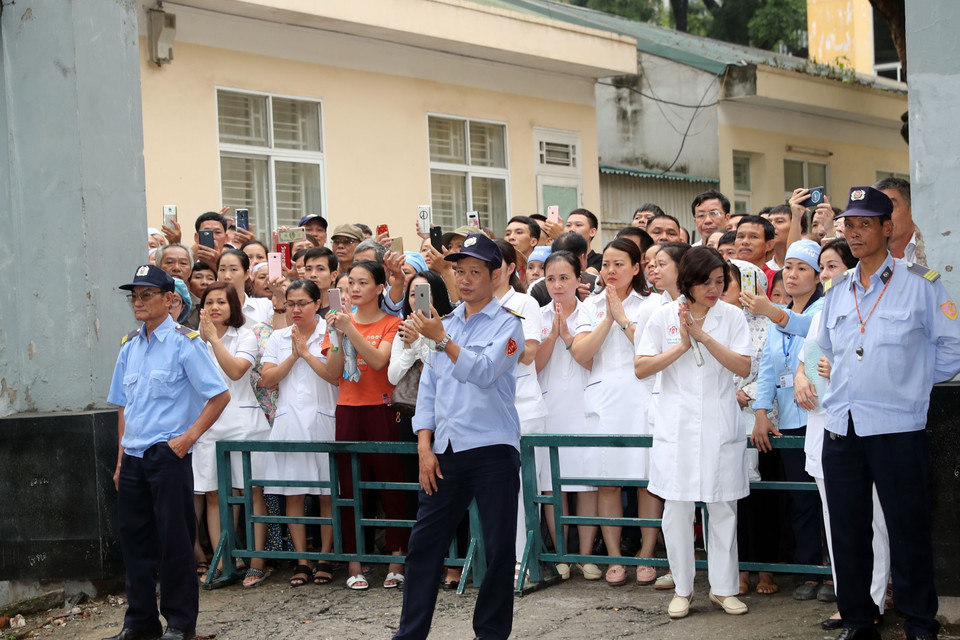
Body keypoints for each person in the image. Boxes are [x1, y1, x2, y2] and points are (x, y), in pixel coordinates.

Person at [816, 186, 960, 640]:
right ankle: (859, 621)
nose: (854, 233)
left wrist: (909, 381)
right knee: (848, 533)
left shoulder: (923, 283)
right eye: (848, 225)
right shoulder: (837, 289)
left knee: (908, 529)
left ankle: (920, 623)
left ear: (886, 227)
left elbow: (952, 349)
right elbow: (826, 350)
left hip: (897, 427)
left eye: (864, 224)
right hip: (842, 429)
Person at [393, 233, 525, 640]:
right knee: (424, 546)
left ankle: (490, 633)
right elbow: (428, 391)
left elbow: (483, 371)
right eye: (459, 271)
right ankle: (410, 633)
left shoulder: (510, 325)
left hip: (493, 450)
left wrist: (441, 340)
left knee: (499, 549)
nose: (465, 280)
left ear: (496, 274)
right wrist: (423, 447)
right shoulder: (444, 325)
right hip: (445, 450)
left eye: (475, 272)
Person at [105, 265, 230, 640]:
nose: (138, 302)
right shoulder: (130, 345)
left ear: (169, 299)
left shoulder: (184, 342)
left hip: (168, 455)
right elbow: (123, 405)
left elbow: (219, 395)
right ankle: (139, 623)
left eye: (147, 295)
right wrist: (120, 458)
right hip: (134, 458)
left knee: (175, 542)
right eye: (134, 296)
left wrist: (188, 438)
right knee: (135, 542)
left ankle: (179, 624)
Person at [634, 246, 753, 620]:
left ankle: (723, 589)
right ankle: (683, 589)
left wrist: (703, 337)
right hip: (677, 424)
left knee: (722, 509)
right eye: (706, 282)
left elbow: (743, 365)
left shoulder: (732, 316)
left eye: (720, 282)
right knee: (677, 509)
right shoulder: (663, 316)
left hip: (720, 424)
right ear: (688, 281)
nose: (714, 289)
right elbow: (641, 367)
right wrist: (683, 345)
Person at [793, 238, 889, 630]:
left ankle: (874, 600)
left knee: (874, 521)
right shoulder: (826, 307)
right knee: (836, 522)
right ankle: (850, 601)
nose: (827, 274)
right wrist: (801, 378)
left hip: (866, 428)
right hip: (823, 426)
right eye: (825, 267)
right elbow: (808, 358)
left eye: (832, 266)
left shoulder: (875, 305)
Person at [570, 238, 660, 587]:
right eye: (606, 264)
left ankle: (647, 554)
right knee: (607, 481)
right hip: (604, 400)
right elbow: (581, 352)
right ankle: (614, 558)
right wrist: (608, 317)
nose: (610, 270)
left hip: (642, 396)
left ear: (636, 268)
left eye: (619, 264)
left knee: (647, 482)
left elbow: (651, 349)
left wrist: (623, 317)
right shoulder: (589, 306)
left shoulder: (652, 305)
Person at [750, 239, 827, 601]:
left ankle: (828, 572)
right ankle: (809, 569)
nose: (793, 275)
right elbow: (766, 367)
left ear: (817, 276)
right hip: (786, 418)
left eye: (802, 269)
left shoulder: (823, 308)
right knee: (798, 499)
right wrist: (761, 412)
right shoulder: (779, 312)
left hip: (816, 414)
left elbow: (809, 328)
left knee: (821, 496)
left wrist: (774, 312)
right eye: (789, 267)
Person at [324, 261, 408, 590]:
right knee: (350, 486)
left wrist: (351, 330)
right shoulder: (340, 322)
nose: (355, 289)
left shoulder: (392, 322)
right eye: (350, 284)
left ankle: (396, 559)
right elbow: (334, 372)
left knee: (391, 484)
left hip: (382, 408)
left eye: (363, 282)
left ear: (379, 288)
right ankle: (354, 561)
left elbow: (378, 361)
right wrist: (335, 336)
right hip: (347, 408)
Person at [259, 280, 339, 588]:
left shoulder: (330, 333)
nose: (295, 309)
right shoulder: (278, 337)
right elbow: (266, 380)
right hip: (289, 422)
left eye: (302, 303)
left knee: (326, 493)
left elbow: (334, 377)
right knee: (293, 492)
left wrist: (305, 353)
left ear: (317, 304)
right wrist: (293, 354)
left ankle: (325, 556)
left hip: (323, 421)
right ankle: (302, 560)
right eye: (290, 303)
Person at [191, 282, 272, 585]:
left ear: (233, 307)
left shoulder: (246, 335)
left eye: (221, 302)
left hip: (243, 422)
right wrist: (206, 339)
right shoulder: (194, 341)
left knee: (251, 492)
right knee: (214, 493)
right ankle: (224, 562)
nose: (214, 307)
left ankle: (257, 560)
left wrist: (214, 340)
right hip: (208, 424)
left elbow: (236, 371)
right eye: (209, 302)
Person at [535, 250, 600, 581]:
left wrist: (569, 337)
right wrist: (552, 334)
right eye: (550, 278)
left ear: (579, 279)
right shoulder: (538, 314)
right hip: (550, 408)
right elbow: (534, 365)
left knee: (587, 484)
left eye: (564, 278)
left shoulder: (593, 314)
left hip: (585, 405)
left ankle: (586, 556)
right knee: (551, 486)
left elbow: (592, 362)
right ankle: (561, 554)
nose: (557, 285)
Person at [491, 240, 548, 583]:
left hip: (523, 406)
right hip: (486, 411)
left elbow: (528, 353)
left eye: (496, 263)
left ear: (512, 268)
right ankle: (499, 559)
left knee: (524, 488)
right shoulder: (471, 305)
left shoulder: (525, 302)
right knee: (492, 487)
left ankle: (523, 560)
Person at [216, 249, 284, 330]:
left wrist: (280, 297)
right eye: (222, 270)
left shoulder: (264, 306)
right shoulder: (212, 308)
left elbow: (280, 335)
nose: (227, 276)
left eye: (233, 269)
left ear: (247, 274)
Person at [874, 177, 926, 266]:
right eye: (876, 209)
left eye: (890, 207)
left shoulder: (932, 248)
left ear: (911, 210)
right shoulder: (869, 253)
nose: (883, 215)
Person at [735, 215, 778, 296]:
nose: (745, 242)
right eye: (740, 236)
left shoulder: (776, 279)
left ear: (769, 245)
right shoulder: (723, 276)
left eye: (753, 237)